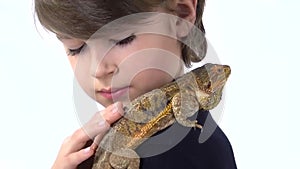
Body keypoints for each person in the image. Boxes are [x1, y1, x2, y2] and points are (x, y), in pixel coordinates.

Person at [34, 0, 237, 168]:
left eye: (121, 39)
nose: (97, 69)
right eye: (76, 49)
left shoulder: (187, 149)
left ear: (181, 15)